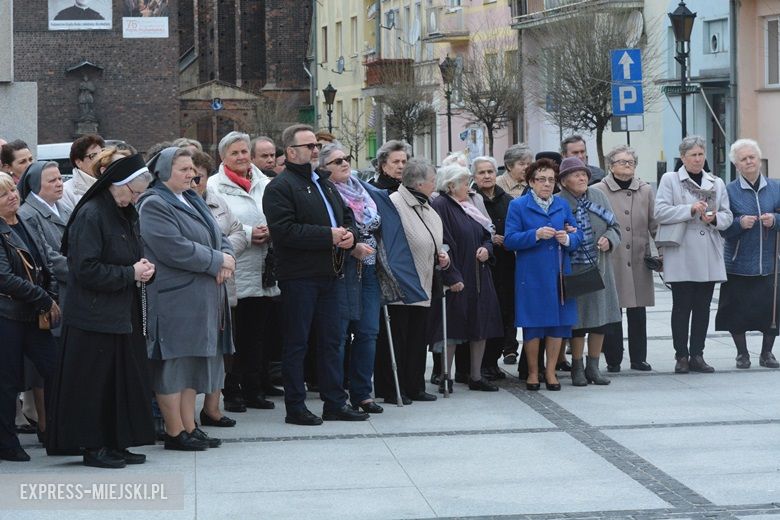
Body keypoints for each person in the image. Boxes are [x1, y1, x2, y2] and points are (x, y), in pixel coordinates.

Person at [48, 152, 156, 469]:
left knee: (120, 382)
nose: (135, 199)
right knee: (94, 385)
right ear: (116, 185)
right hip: (94, 316)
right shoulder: (91, 215)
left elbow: (132, 256)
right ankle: (94, 446)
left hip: (122, 313)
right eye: (133, 192)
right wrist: (130, 274)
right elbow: (85, 270)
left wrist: (145, 269)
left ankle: (116, 441)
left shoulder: (125, 212)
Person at [263, 124, 368, 425]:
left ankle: (334, 401)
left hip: (331, 273)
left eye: (316, 146)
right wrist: (330, 236)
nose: (314, 150)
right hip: (299, 277)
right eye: (308, 146)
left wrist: (350, 234)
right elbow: (284, 231)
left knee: (332, 340)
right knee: (297, 343)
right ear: (291, 151)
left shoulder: (324, 182)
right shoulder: (280, 187)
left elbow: (346, 217)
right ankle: (295, 406)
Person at [138, 147, 235, 451]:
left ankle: (189, 427)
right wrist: (216, 260)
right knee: (173, 366)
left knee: (193, 362)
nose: (191, 174)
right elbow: (173, 247)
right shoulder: (153, 204)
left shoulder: (192, 198)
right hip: (174, 298)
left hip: (201, 295)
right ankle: (173, 430)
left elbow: (220, 236)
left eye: (191, 169)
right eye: (182, 169)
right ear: (164, 172)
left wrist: (226, 257)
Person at [207, 132, 280, 412]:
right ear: (223, 157)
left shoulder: (265, 182)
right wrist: (249, 233)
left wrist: (273, 230)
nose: (241, 157)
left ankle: (255, 388)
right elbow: (218, 225)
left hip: (263, 268)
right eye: (234, 153)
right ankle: (232, 390)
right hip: (234, 270)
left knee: (257, 334)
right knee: (233, 336)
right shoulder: (215, 186)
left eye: (244, 152)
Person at [655, 135, 732, 374]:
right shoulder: (671, 179)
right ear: (683, 158)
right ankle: (681, 355)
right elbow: (660, 211)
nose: (698, 159)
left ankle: (698, 354)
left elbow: (728, 216)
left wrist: (714, 218)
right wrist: (689, 209)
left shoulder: (716, 182)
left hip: (708, 249)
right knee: (681, 306)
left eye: (701, 154)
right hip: (682, 249)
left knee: (702, 306)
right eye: (693, 155)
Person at [375, 158, 450, 403]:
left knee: (418, 338)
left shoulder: (427, 205)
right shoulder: (394, 204)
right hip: (400, 285)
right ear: (419, 183)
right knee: (397, 340)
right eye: (432, 180)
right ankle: (392, 389)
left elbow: (434, 240)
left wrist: (442, 257)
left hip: (425, 282)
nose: (435, 184)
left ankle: (415, 385)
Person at [504, 158, 582, 391]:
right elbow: (509, 240)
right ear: (530, 182)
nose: (547, 184)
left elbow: (576, 235)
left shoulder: (562, 205)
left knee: (558, 325)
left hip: (559, 273)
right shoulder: (518, 206)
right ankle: (533, 373)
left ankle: (551, 373)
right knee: (533, 325)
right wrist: (535, 234)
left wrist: (567, 238)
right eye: (541, 179)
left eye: (551, 180)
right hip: (532, 276)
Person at [0, 173, 60, 462]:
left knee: (56, 369)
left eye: (12, 189)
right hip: (7, 316)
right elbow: (4, 278)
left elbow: (45, 263)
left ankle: (59, 432)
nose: (12, 195)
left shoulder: (25, 221)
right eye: (3, 195)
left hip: (34, 315)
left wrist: (51, 293)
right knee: (7, 382)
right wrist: (44, 298)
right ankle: (6, 443)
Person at [430, 164, 503, 393]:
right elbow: (442, 242)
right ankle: (445, 376)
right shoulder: (442, 205)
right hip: (458, 276)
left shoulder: (469, 205)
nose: (468, 186)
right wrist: (451, 275)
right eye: (464, 182)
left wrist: (487, 249)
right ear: (451, 185)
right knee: (452, 328)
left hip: (479, 275)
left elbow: (486, 235)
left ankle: (476, 375)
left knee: (480, 324)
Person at [191, 150, 247, 426]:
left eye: (199, 176)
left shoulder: (216, 200)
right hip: (196, 285)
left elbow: (236, 232)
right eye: (190, 175)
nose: (194, 182)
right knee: (192, 352)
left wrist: (226, 258)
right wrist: (215, 258)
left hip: (223, 284)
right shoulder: (174, 204)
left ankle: (213, 408)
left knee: (222, 349)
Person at [557, 157, 621, 386]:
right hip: (573, 270)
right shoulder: (558, 202)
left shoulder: (599, 196)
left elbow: (615, 226)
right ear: (564, 181)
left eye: (583, 173)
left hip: (600, 268)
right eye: (575, 175)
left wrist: (609, 240)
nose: (582, 177)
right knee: (577, 324)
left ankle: (594, 367)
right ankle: (577, 367)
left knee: (600, 320)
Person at [716, 139, 780, 369]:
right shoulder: (728, 190)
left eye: (752, 157)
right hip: (738, 261)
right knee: (736, 311)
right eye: (744, 159)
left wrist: (775, 220)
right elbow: (722, 226)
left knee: (770, 309)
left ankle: (767, 353)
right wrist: (739, 223)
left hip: (770, 261)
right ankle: (742, 353)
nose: (749, 161)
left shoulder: (776, 187)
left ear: (759, 160)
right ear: (737, 165)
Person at [594, 146, 657, 372]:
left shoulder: (646, 190)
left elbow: (654, 223)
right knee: (613, 310)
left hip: (639, 256)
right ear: (610, 165)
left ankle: (639, 358)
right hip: (612, 256)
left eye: (631, 162)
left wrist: (659, 252)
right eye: (621, 161)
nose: (627, 165)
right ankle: (613, 359)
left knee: (638, 310)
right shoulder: (598, 189)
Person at [472, 156, 516, 380]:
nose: (487, 176)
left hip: (506, 263)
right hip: (481, 264)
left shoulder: (507, 200)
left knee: (505, 313)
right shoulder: (470, 199)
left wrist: (510, 238)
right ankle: (481, 364)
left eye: (490, 171)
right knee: (486, 314)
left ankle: (494, 361)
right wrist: (490, 238)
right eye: (482, 172)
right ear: (474, 176)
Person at [61, 134, 106, 212]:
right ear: (78, 162)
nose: (100, 160)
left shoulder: (109, 185)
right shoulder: (66, 192)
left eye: (102, 155)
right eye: (93, 156)